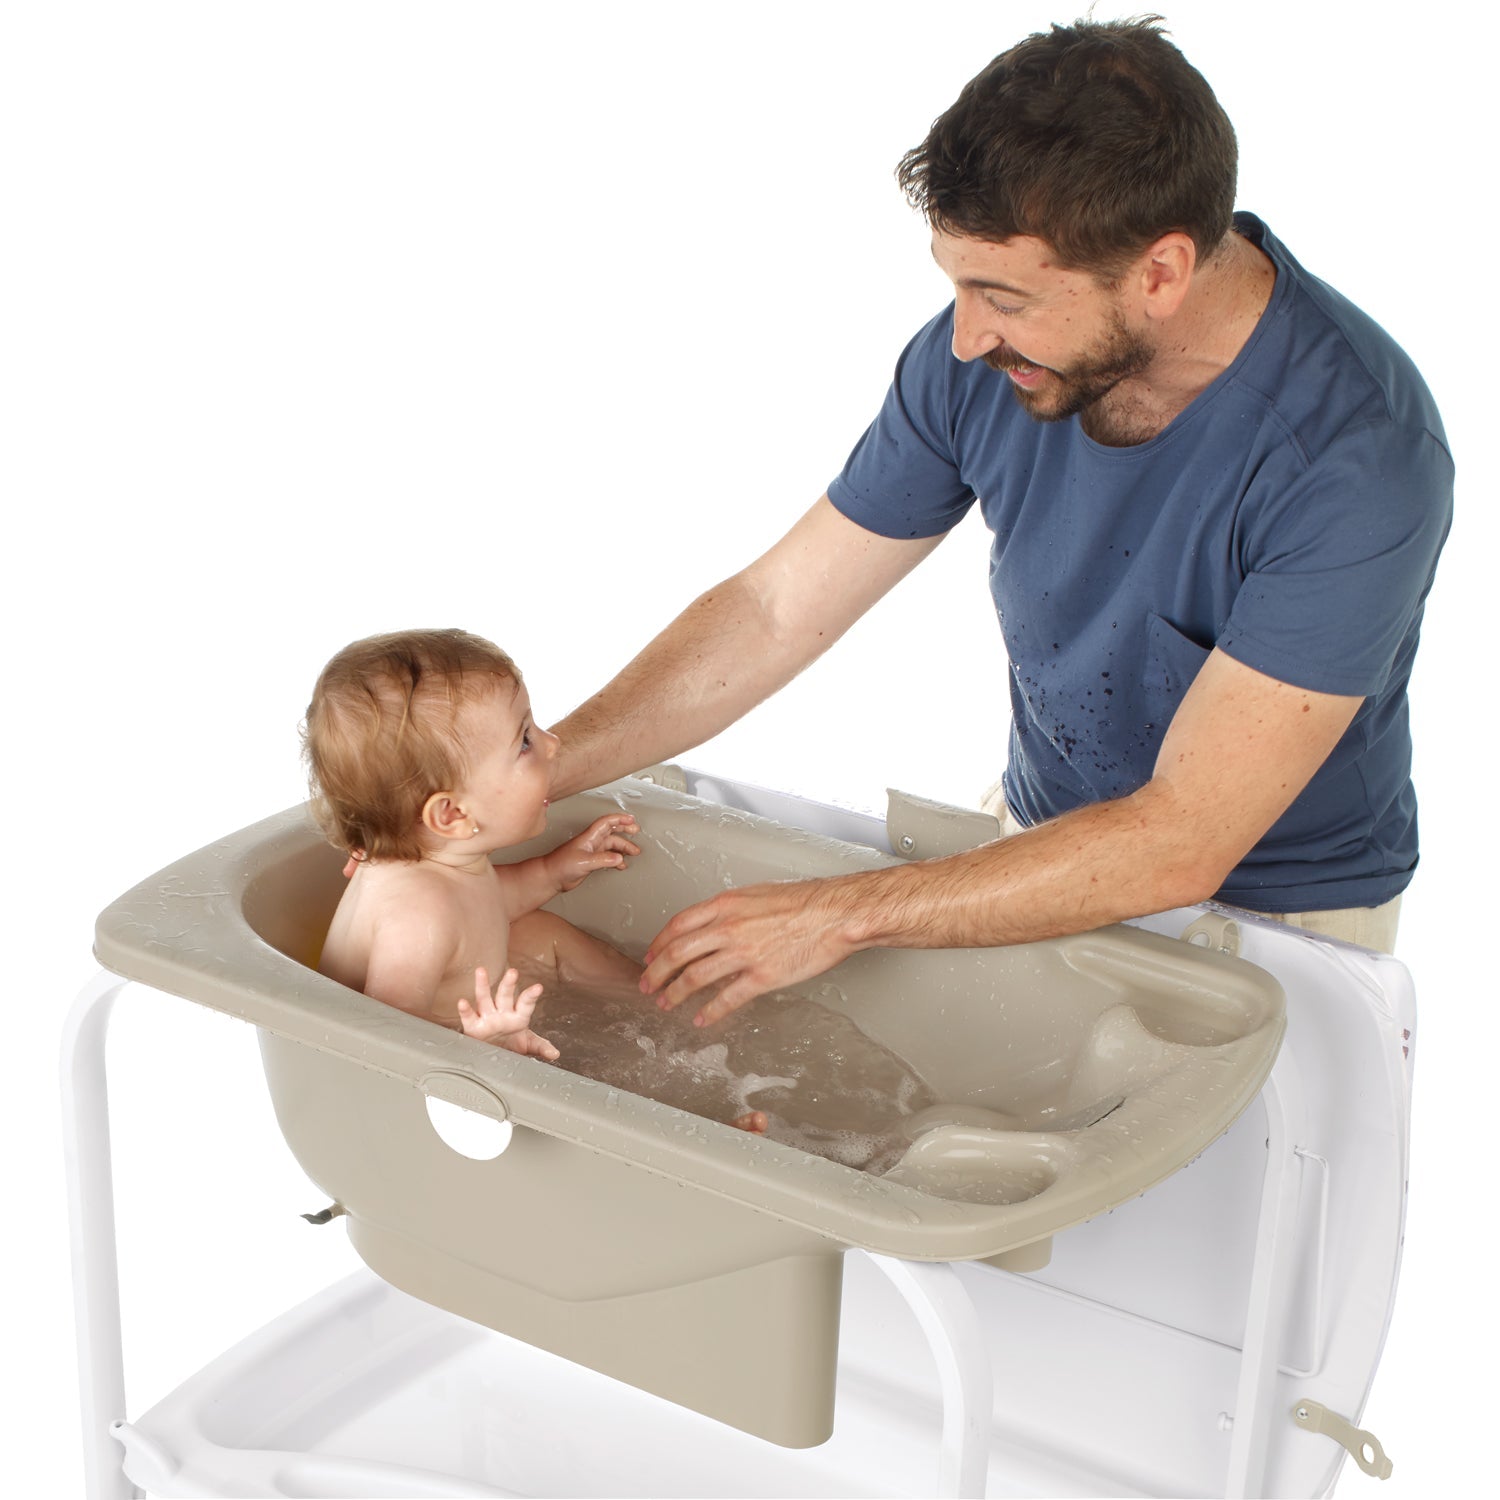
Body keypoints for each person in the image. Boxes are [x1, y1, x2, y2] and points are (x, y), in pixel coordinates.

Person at [544, 17, 1453, 1027]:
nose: (967, 334)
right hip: (1039, 833)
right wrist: (543, 766)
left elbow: (1182, 838)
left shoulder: (1357, 458)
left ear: (1159, 272)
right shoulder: (991, 360)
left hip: (1280, 918)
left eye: (1004, 297)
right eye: (958, 287)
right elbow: (772, 610)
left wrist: (838, 915)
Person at [303, 628, 646, 1056]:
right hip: (440, 1069)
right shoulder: (417, 918)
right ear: (452, 814)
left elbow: (485, 903)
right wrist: (482, 1046)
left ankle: (666, 1003)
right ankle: (680, 1029)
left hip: (475, 1009)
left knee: (542, 933)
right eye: (525, 741)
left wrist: (553, 871)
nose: (553, 744)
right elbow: (385, 1037)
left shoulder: (444, 861)